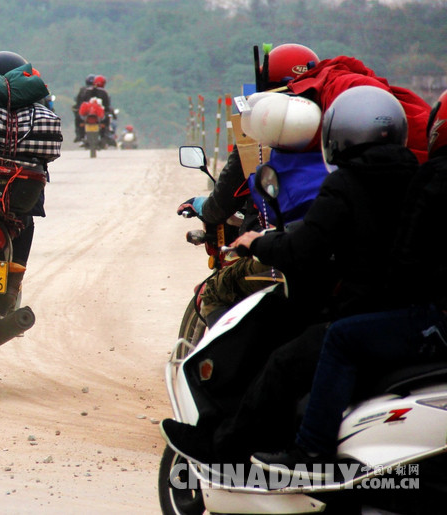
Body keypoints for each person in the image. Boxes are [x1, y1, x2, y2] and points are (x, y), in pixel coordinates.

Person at [161, 85, 421, 465]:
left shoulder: (342, 182)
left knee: (284, 357)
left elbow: (303, 248)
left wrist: (255, 243)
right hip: (400, 305)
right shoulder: (415, 176)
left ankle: (231, 449)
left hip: (362, 306)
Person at [251, 88, 447, 478]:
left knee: (342, 336)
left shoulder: (434, 178)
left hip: (436, 318)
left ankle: (311, 452)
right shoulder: (412, 172)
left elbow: (406, 261)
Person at [177, 43, 322, 326]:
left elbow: (223, 200)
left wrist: (202, 206)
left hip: (281, 254)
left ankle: (220, 368)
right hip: (338, 258)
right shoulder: (333, 132)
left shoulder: (261, 130)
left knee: (213, 293)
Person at [72, 74, 96, 142]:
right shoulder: (100, 90)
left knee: (77, 119)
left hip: (86, 112)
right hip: (94, 112)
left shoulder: (83, 90)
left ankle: (79, 135)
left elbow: (79, 101)